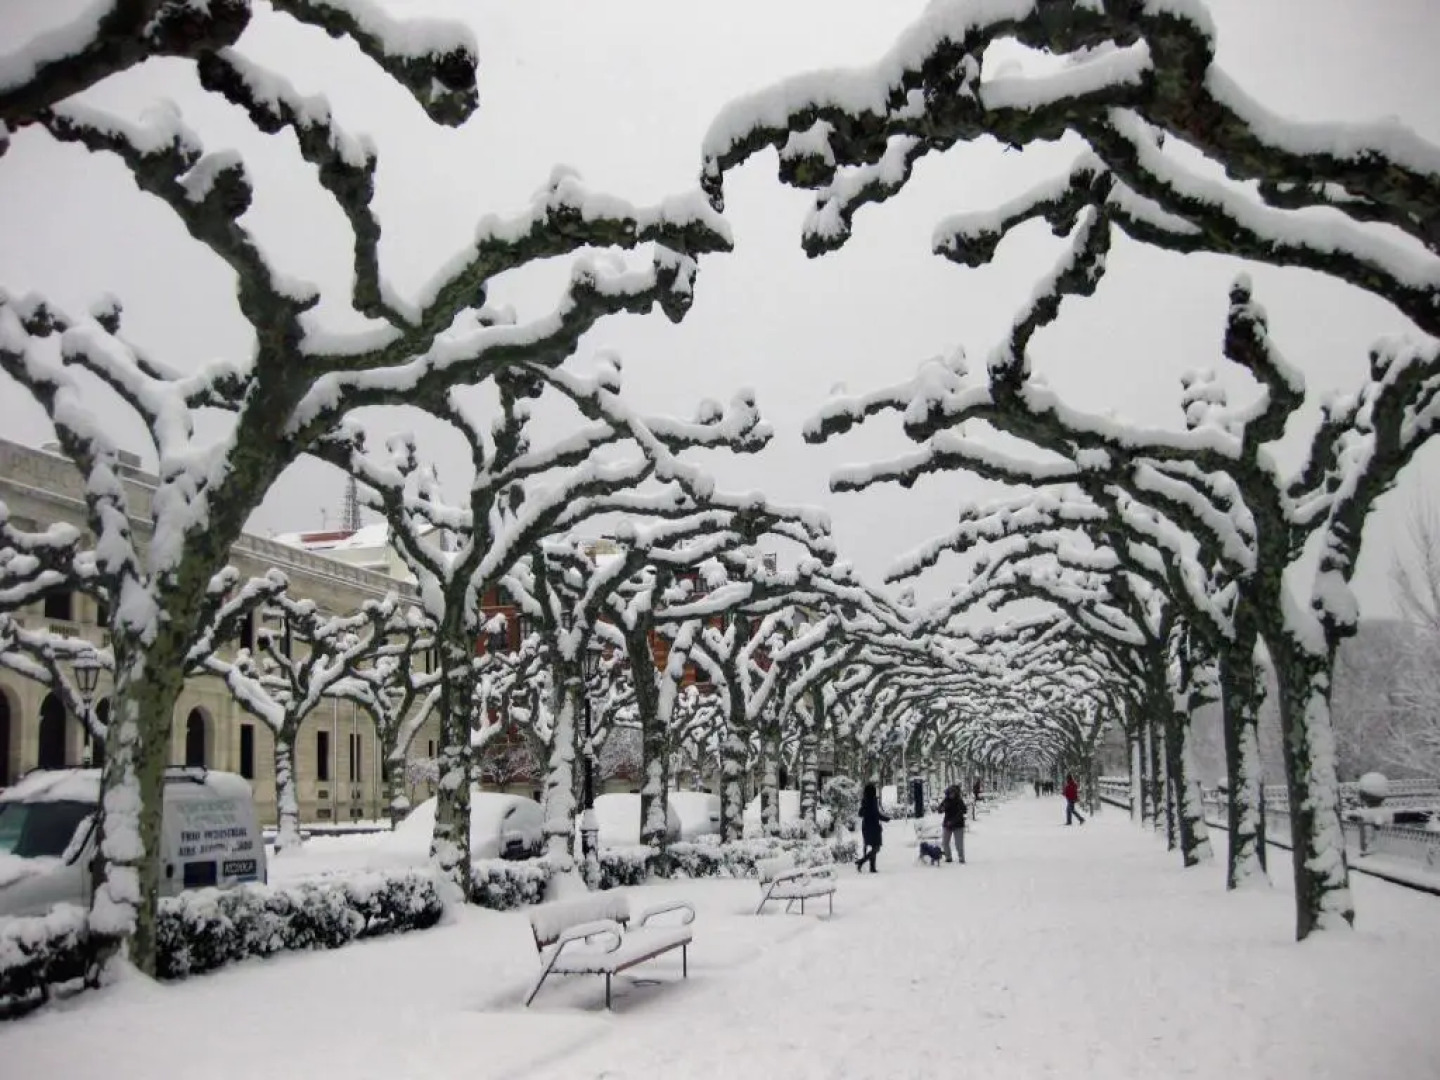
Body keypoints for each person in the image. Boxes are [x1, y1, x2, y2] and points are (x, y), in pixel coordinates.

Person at [855, 781, 889, 873]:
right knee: (876, 847)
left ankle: (872, 867)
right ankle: (861, 862)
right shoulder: (873, 800)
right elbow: (876, 814)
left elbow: (860, 813)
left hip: (866, 827)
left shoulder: (865, 800)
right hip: (873, 827)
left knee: (874, 847)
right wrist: (886, 818)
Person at [937, 784, 966, 864]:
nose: (951, 795)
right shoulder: (946, 800)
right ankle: (948, 857)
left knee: (958, 843)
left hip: (958, 825)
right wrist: (941, 809)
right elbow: (939, 809)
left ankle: (961, 858)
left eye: (952, 793)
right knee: (945, 842)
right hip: (947, 824)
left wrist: (952, 822)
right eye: (949, 793)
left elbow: (962, 812)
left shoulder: (959, 801)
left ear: (956, 793)